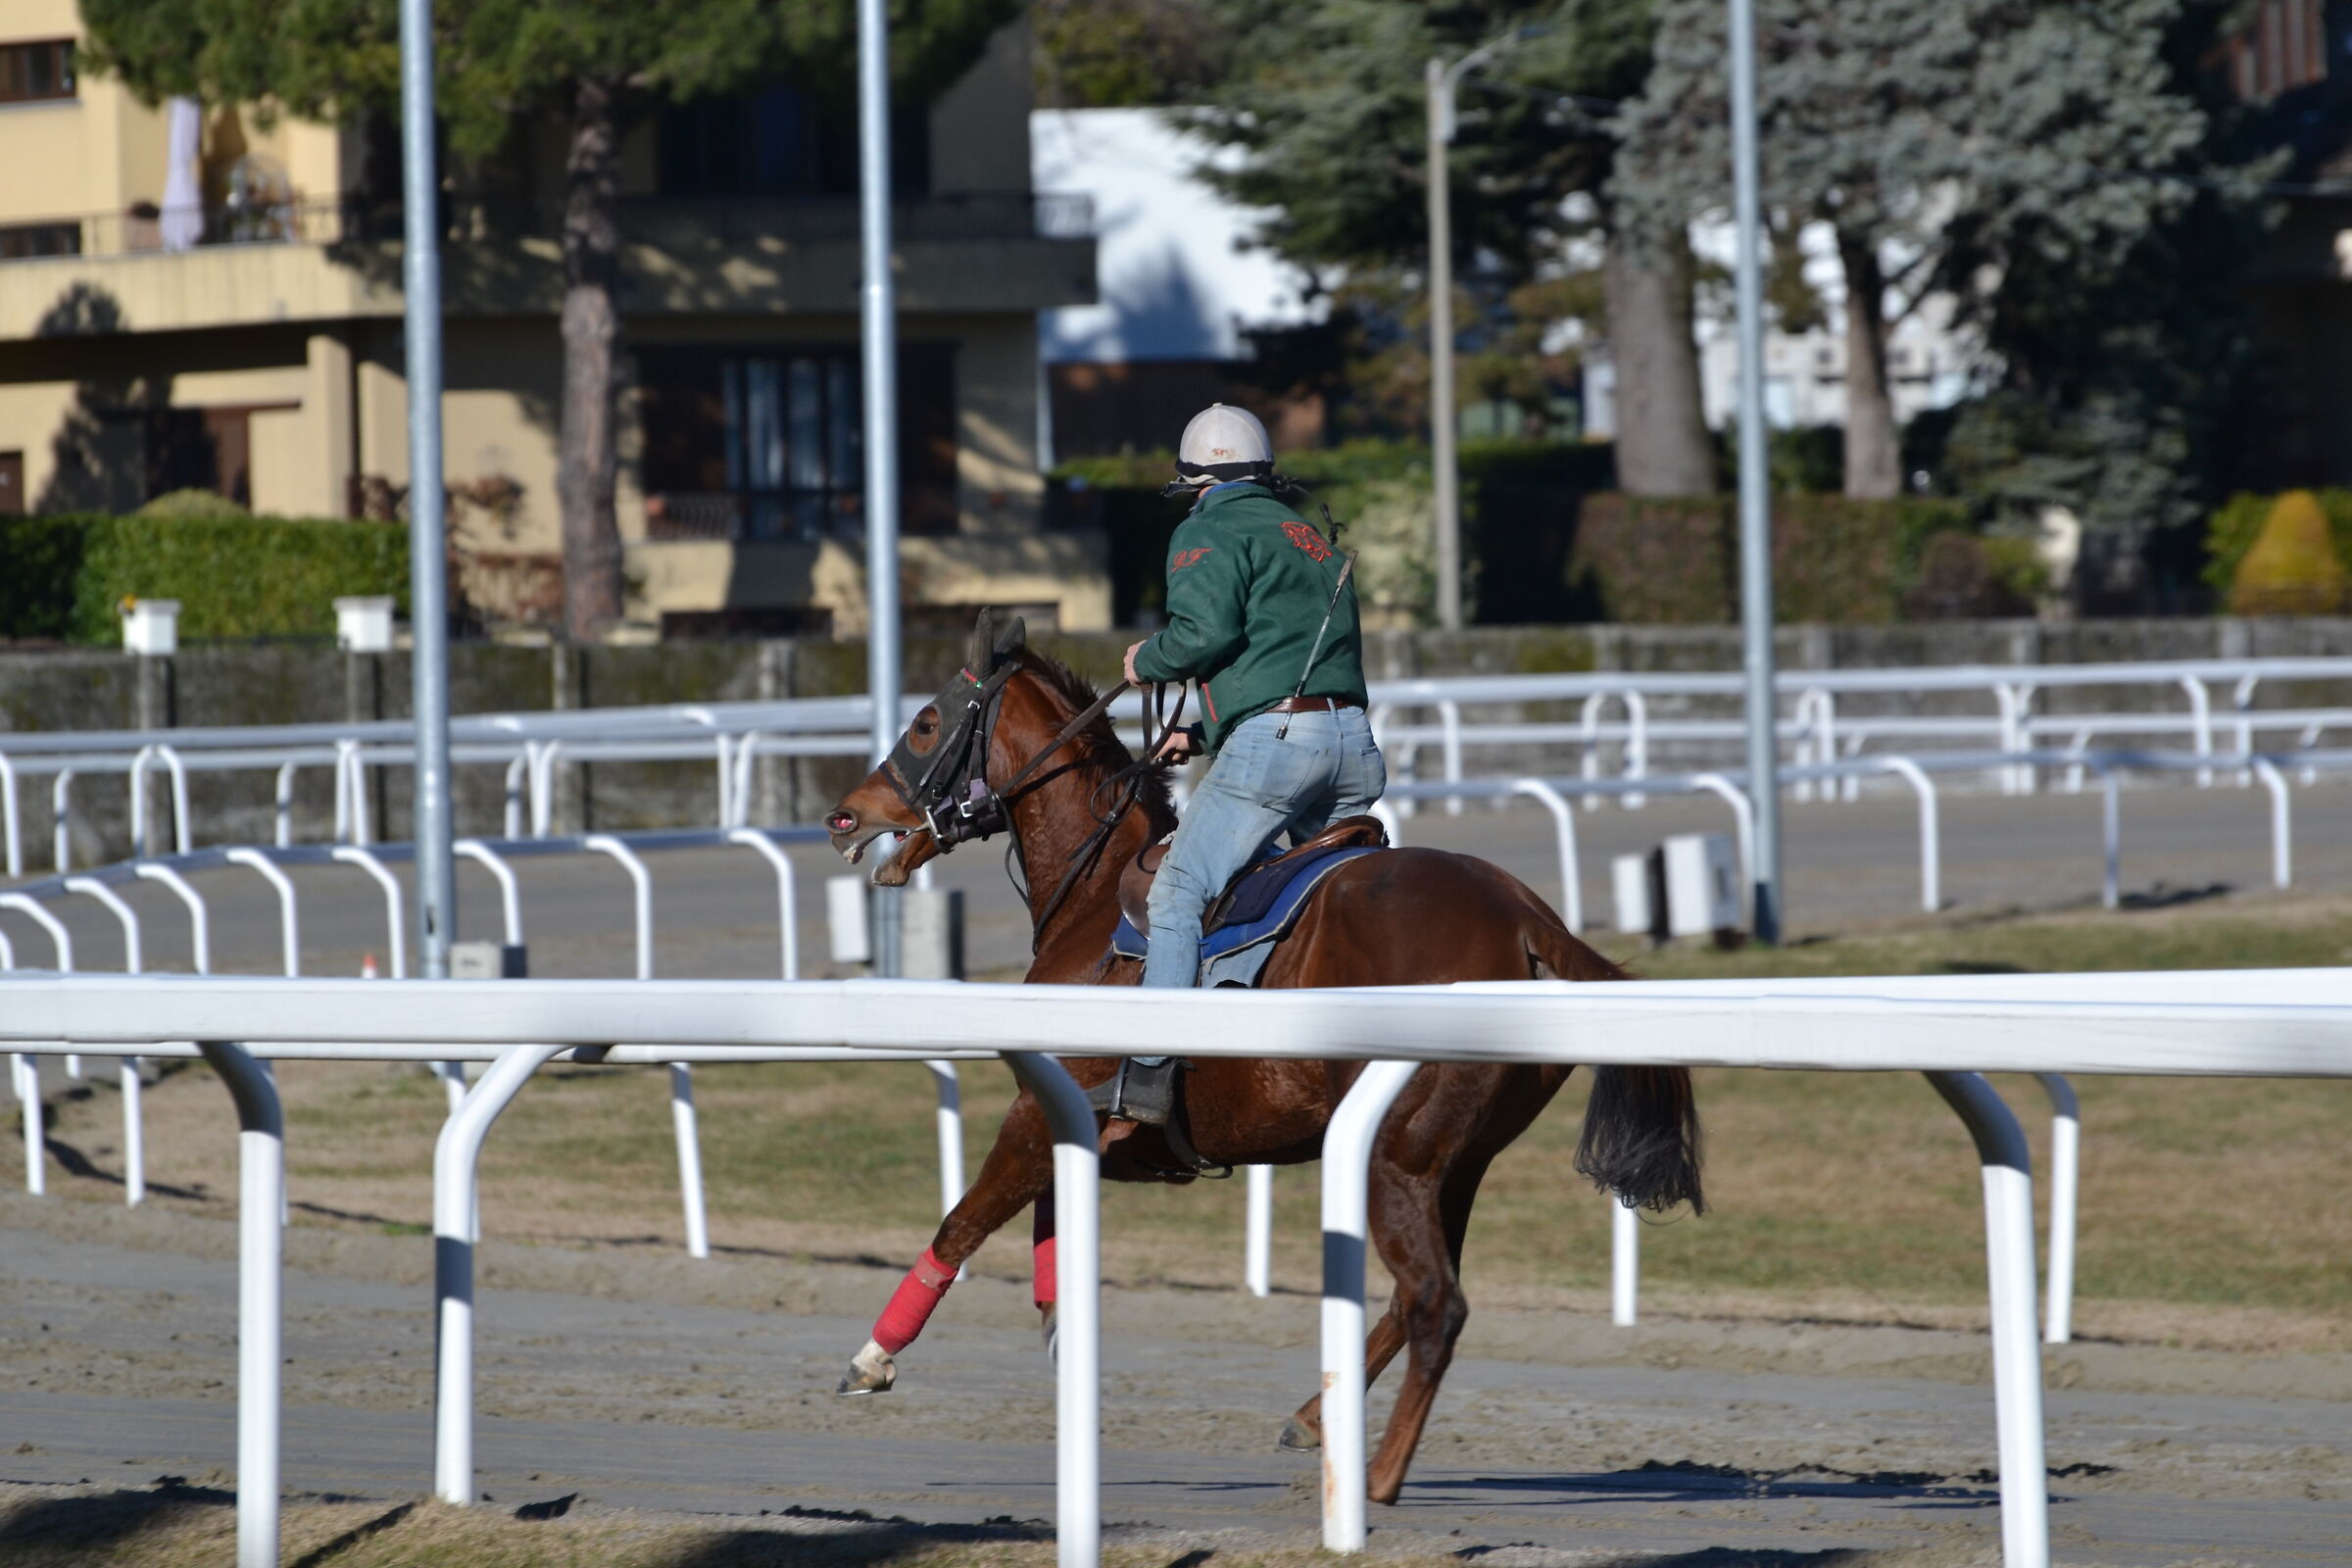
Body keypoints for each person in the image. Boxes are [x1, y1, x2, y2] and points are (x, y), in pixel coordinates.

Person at [1122, 405, 1385, 989]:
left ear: (1197, 480)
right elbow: (1290, 661)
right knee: (1346, 910)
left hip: (1280, 752)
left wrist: (1146, 661)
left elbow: (1202, 637)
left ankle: (1152, 1064)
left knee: (1178, 890)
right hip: (1354, 745)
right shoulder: (1307, 536)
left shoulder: (1207, 528)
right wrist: (1200, 736)